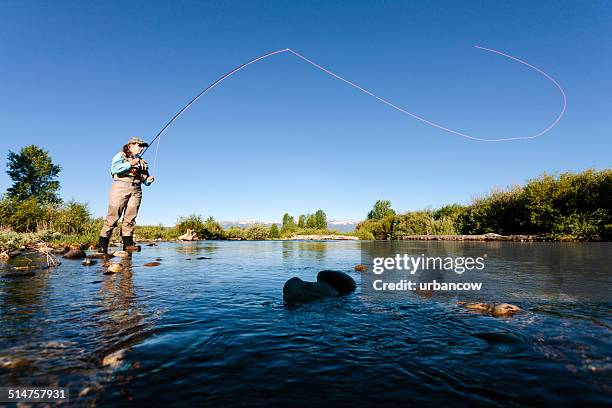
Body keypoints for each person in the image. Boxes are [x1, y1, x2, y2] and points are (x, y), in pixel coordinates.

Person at [97, 137, 155, 253]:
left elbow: (145, 181)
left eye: (142, 146)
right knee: (113, 216)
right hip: (120, 187)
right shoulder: (121, 156)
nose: (141, 148)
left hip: (137, 189)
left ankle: (128, 244)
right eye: (139, 145)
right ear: (130, 146)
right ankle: (102, 245)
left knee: (130, 217)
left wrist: (148, 180)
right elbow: (114, 169)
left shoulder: (142, 162)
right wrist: (130, 163)